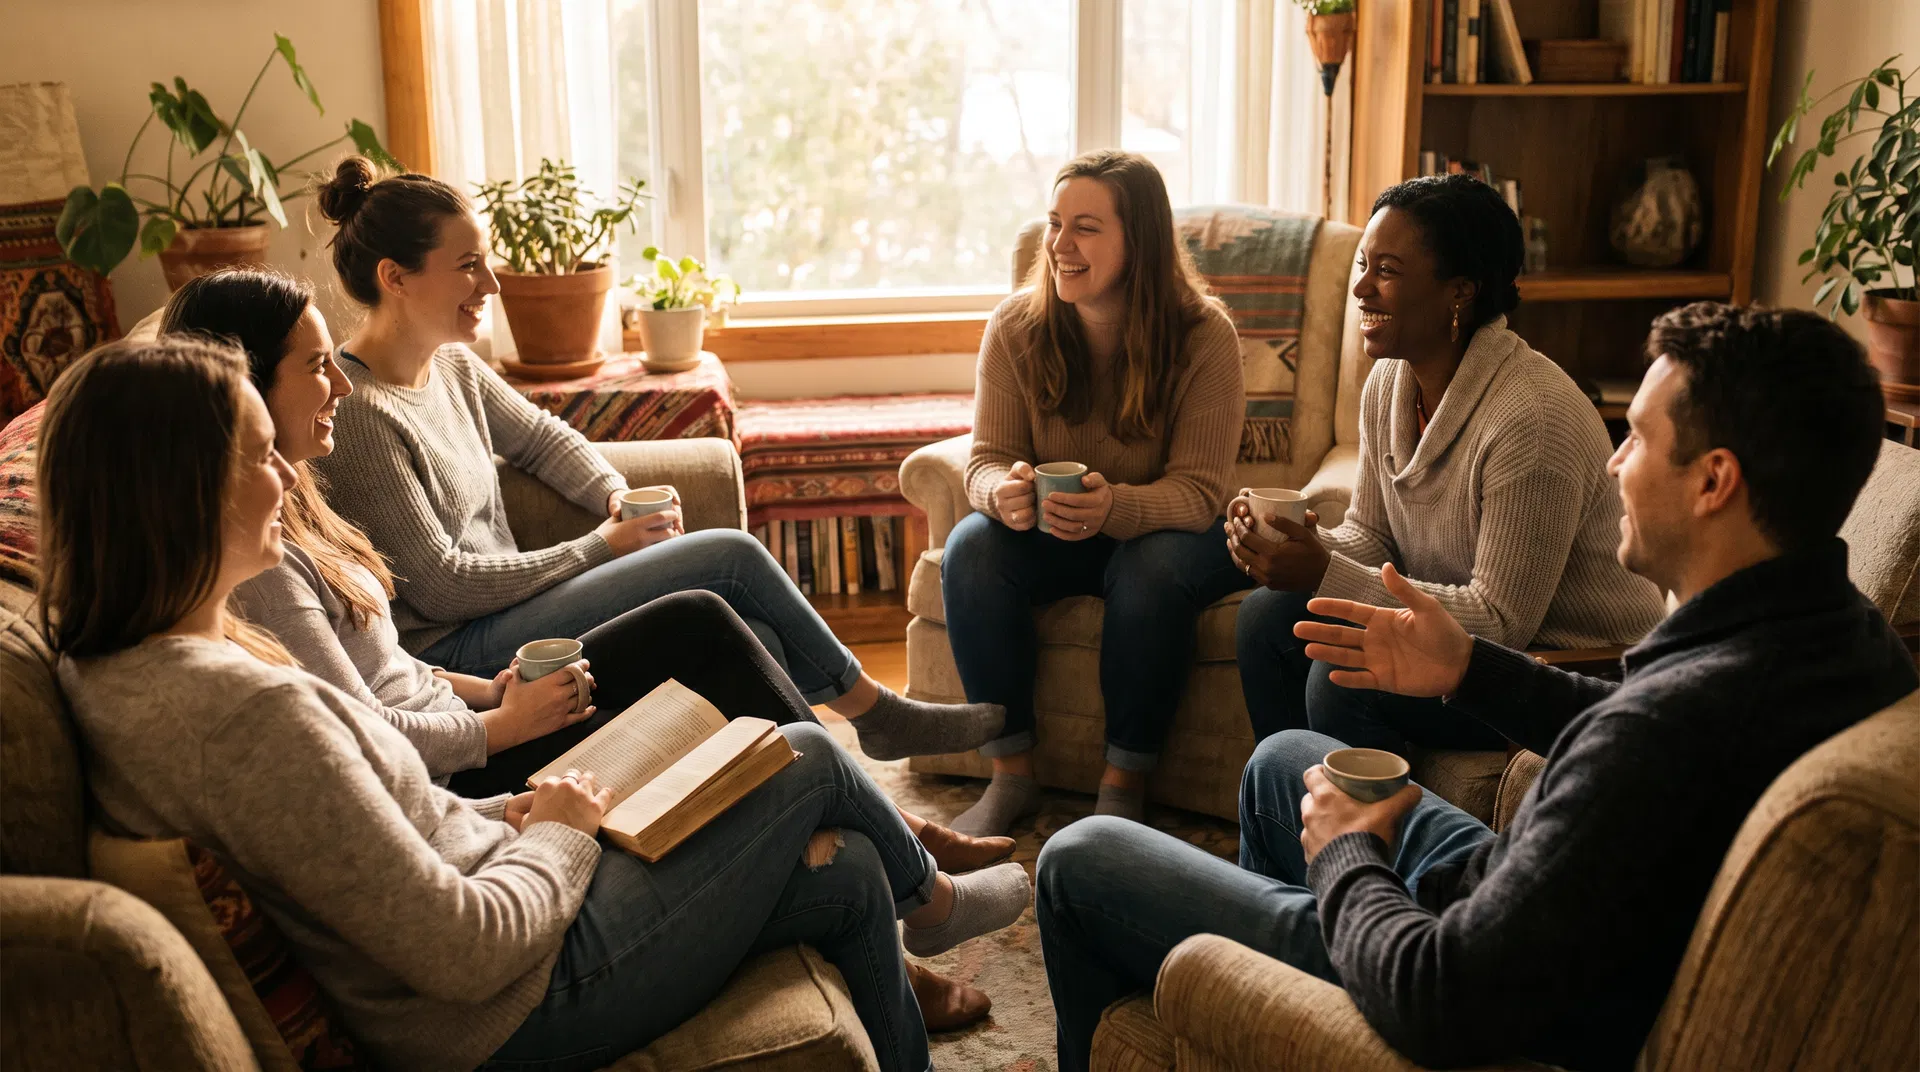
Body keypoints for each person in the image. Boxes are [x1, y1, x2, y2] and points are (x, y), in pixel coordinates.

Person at [41, 336, 1033, 1072]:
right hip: (508, 1003)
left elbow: (382, 826)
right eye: (258, 455)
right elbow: (461, 949)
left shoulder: (133, 661)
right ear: (183, 493)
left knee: (850, 873)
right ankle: (933, 900)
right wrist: (558, 832)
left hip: (506, 888)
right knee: (801, 758)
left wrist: (512, 809)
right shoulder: (243, 713)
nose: (286, 478)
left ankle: (909, 894)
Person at [1036, 301, 1916, 1072]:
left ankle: (1291, 985)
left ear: (1716, 481)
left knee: (1083, 858)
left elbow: (1436, 996)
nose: (1613, 464)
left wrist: (1350, 853)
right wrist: (1467, 668)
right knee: (1288, 760)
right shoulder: (1847, 642)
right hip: (1548, 919)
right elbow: (1645, 731)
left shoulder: (1662, 733)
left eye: (1639, 437)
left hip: (1465, 987)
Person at [306, 156, 1002, 765]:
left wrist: (613, 494)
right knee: (729, 556)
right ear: (395, 277)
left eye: (485, 260)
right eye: (468, 266)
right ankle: (876, 714)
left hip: (513, 611)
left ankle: (845, 811)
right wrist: (599, 547)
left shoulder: (452, 364)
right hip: (462, 655)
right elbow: (443, 587)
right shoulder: (363, 412)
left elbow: (545, 440)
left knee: (749, 631)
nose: (491, 283)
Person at [1230, 174, 1665, 754]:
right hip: (1474, 642)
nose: (1360, 287)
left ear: (1459, 291)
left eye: (1386, 270)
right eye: (1363, 263)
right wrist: (1301, 547)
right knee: (1265, 618)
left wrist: (1323, 572)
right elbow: (1373, 533)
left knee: (1339, 683)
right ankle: (1292, 816)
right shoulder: (1389, 381)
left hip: (1569, 667)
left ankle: (1385, 840)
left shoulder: (1531, 417)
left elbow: (1501, 621)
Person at [939, 149, 1251, 835]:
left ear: (1137, 239)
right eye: (1055, 223)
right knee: (973, 550)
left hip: (1173, 532)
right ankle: (1011, 774)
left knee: (1148, 568)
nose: (1060, 245)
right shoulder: (1016, 326)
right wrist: (1003, 493)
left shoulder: (1205, 337)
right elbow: (986, 458)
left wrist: (1118, 508)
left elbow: (1201, 491)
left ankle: (1123, 783)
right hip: (1060, 528)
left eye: (1085, 226)